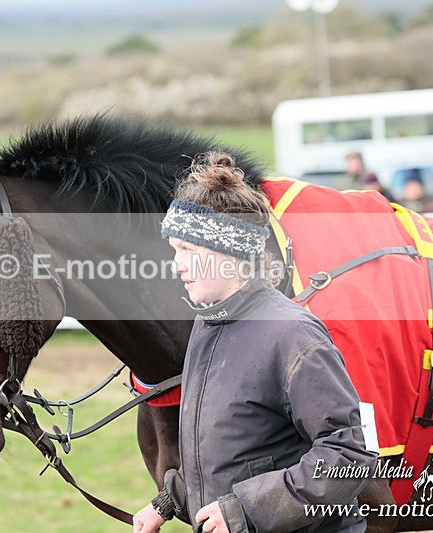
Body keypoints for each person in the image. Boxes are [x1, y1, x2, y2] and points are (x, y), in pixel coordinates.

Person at [133, 152, 377, 533]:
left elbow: (349, 454)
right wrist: (167, 502)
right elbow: (226, 450)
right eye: (175, 250)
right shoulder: (207, 322)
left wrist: (244, 510)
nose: (176, 265)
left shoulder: (293, 335)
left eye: (188, 252)